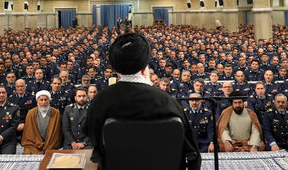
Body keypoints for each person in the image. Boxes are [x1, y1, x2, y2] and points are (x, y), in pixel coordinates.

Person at [85, 33, 201, 169]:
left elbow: (92, 135)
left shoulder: (100, 100)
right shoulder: (169, 102)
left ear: (116, 70)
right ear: (144, 68)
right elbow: (192, 152)